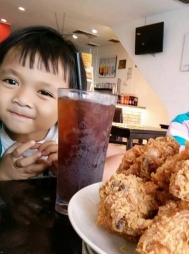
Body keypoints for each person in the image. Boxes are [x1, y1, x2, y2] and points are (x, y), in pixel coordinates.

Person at [0, 25, 124, 181]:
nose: (22, 99)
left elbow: (124, 157)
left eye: (44, 92)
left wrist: (77, 170)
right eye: (11, 81)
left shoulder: (69, 139)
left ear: (68, 105)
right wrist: (2, 174)